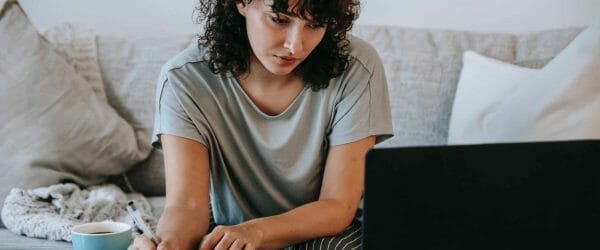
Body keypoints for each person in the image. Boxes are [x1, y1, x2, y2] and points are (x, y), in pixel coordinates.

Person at [132, 0, 392, 249]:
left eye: (315, 24)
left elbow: (338, 205)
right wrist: (168, 245)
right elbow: (186, 206)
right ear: (242, 2)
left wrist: (257, 231)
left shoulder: (357, 67)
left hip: (326, 234)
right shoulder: (184, 80)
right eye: (279, 19)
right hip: (232, 229)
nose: (295, 46)